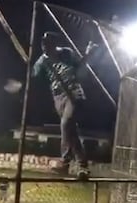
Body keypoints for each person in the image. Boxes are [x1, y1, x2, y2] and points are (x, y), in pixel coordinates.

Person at [32, 32, 98, 177]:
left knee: (66, 123)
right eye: (43, 44)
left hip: (73, 93)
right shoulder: (42, 61)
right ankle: (83, 167)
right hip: (58, 97)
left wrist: (88, 53)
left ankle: (65, 161)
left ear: (54, 44)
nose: (44, 47)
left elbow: (80, 65)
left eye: (48, 44)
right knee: (70, 132)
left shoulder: (67, 53)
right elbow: (34, 76)